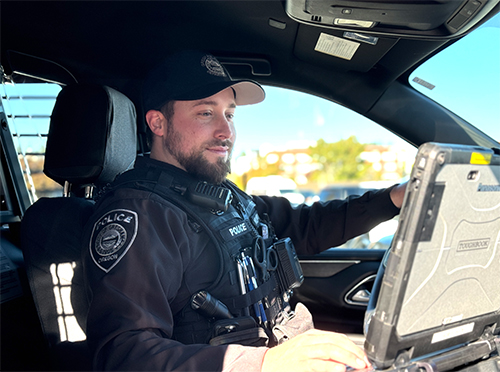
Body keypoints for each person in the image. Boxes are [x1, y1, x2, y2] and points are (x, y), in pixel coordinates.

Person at [83, 50, 407, 372]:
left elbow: (306, 224)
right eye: (205, 113)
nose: (226, 132)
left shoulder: (222, 195)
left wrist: (391, 199)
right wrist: (265, 363)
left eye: (230, 114)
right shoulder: (141, 215)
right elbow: (123, 355)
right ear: (158, 123)